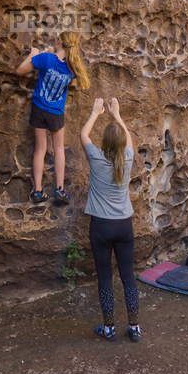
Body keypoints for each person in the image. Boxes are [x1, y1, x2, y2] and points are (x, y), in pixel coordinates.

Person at [80, 97, 141, 342]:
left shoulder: (96, 158)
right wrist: (117, 115)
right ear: (123, 143)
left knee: (105, 277)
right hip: (124, 224)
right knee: (128, 276)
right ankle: (134, 327)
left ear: (104, 142)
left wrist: (96, 112)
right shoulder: (127, 157)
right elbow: (128, 138)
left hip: (101, 226)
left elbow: (83, 135)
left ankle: (109, 328)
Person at [15, 31, 90, 204]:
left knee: (40, 149)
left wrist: (34, 54)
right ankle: (59, 190)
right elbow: (74, 83)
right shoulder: (72, 67)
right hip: (56, 112)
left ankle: (38, 191)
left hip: (39, 108)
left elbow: (20, 71)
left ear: (59, 42)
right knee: (59, 149)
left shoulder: (46, 59)